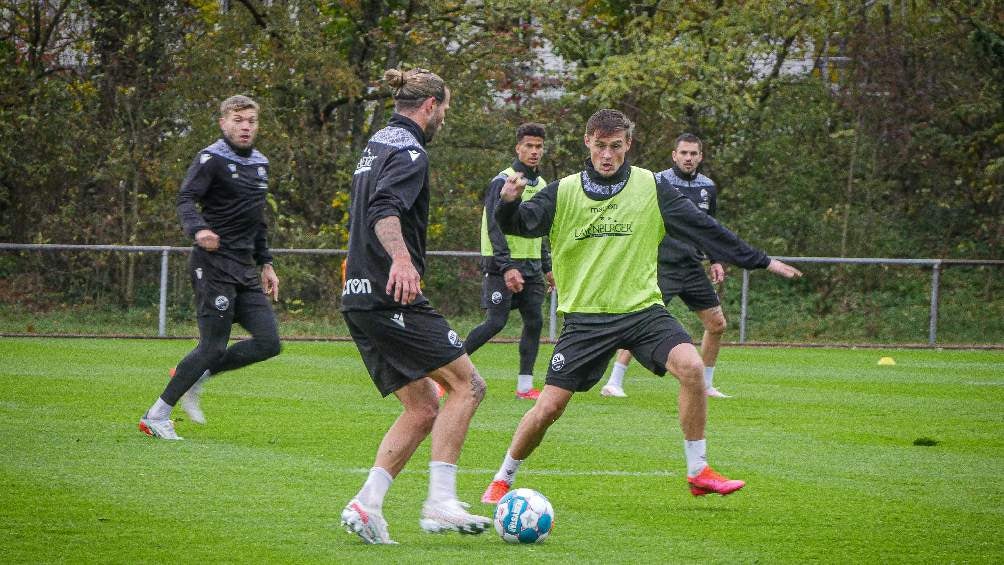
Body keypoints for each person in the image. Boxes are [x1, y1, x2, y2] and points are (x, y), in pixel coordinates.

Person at [480, 109, 802, 505]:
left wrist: (761, 260)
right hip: (586, 320)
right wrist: (508, 205)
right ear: (587, 143)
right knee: (548, 408)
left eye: (616, 146)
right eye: (600, 146)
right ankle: (503, 477)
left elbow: (705, 229)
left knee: (693, 367)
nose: (607, 155)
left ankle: (698, 470)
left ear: (628, 145)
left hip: (642, 312)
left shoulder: (651, 187)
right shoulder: (562, 191)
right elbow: (520, 225)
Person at [338, 68, 492, 545]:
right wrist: (402, 261)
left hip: (359, 298)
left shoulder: (376, 142)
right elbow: (384, 209)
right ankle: (441, 502)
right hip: (389, 296)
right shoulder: (410, 150)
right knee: (468, 385)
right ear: (429, 106)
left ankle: (366, 504)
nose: (445, 115)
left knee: (424, 405)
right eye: (444, 107)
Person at [138, 94, 282, 440]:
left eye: (251, 120)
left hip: (245, 270)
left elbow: (256, 219)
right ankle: (156, 416)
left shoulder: (260, 164)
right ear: (223, 123)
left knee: (269, 342)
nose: (245, 126)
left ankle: (196, 375)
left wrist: (266, 263)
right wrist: (198, 229)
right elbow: (186, 198)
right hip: (212, 265)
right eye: (238, 120)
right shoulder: (210, 159)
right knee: (213, 347)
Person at [600, 133, 730, 399]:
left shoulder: (708, 187)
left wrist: (716, 260)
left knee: (717, 324)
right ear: (674, 155)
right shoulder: (656, 182)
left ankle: (705, 384)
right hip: (661, 266)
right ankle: (614, 382)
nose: (689, 158)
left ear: (700, 157)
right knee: (640, 322)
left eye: (694, 154)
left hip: (692, 267)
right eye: (684, 153)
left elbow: (709, 228)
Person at [464, 123, 555, 400]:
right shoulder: (502, 180)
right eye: (529, 145)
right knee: (495, 323)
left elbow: (539, 229)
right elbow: (495, 226)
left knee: (534, 322)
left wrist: (548, 267)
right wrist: (507, 266)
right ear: (518, 148)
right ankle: (445, 371)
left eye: (539, 146)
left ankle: (525, 387)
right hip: (502, 265)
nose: (534, 151)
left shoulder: (541, 186)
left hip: (531, 266)